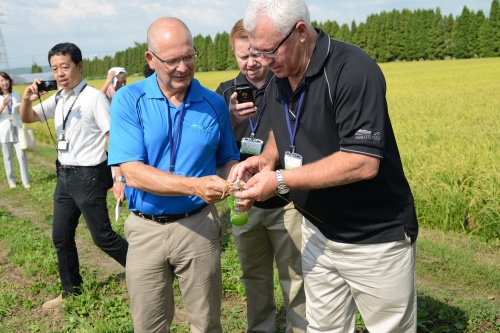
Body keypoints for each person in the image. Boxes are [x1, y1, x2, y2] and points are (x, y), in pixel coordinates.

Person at [229, 0, 419, 332]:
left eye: (268, 51)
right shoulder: (278, 76)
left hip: (374, 237)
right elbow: (281, 129)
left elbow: (362, 162)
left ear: (300, 32)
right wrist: (267, 158)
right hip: (316, 230)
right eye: (255, 51)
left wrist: (280, 179)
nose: (260, 61)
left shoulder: (352, 70)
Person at [108, 17, 240, 333]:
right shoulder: (130, 99)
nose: (182, 67)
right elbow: (134, 173)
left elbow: (226, 161)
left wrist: (238, 176)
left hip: (199, 226)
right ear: (151, 59)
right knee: (149, 325)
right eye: (172, 60)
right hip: (145, 229)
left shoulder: (214, 103)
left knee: (207, 323)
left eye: (189, 56)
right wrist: (195, 185)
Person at [19, 42, 129, 310]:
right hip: (65, 176)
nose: (59, 73)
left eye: (65, 67)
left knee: (102, 236)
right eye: (55, 68)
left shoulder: (94, 98)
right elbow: (29, 117)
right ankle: (71, 290)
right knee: (61, 236)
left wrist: (119, 178)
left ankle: (148, 268)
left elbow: (112, 137)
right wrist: (25, 99)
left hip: (89, 175)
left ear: (79, 66)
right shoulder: (58, 98)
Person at [216, 19, 307, 333]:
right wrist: (226, 117)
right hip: (244, 201)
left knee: (295, 277)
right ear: (234, 55)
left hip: (286, 199)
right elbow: (211, 143)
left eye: (257, 54)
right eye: (243, 56)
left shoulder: (287, 85)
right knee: (253, 277)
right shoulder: (224, 93)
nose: (251, 62)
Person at [0, 72, 30, 189]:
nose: (4, 82)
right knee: (7, 157)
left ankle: (25, 180)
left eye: (5, 80)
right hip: (4, 130)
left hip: (17, 127)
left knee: (21, 155)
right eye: (1, 81)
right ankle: (11, 180)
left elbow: (21, 110)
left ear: (9, 81)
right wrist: (3, 105)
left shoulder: (16, 94)